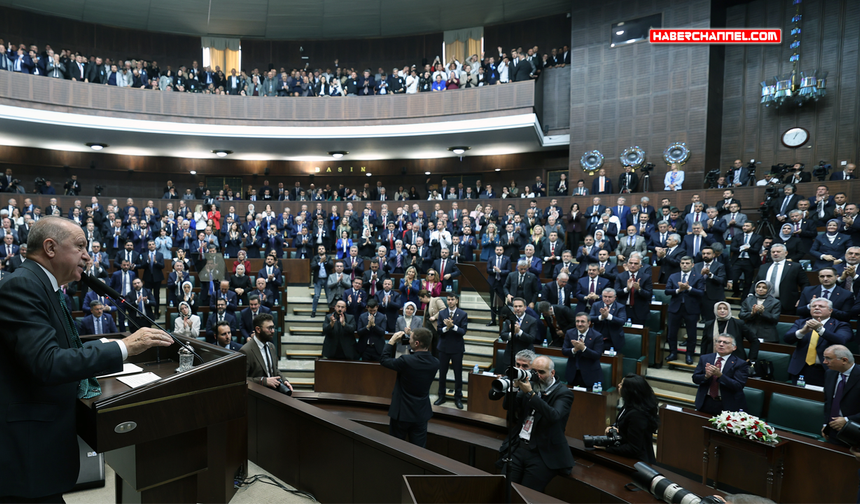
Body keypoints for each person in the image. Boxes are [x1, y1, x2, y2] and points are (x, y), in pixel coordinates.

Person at [0, 216, 172, 502]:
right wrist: (124, 347)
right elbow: (48, 362)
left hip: (41, 446)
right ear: (50, 247)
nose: (87, 256)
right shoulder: (22, 286)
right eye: (80, 246)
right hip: (26, 451)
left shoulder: (44, 287)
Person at [502, 355, 574, 492]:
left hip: (543, 452)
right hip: (520, 447)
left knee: (526, 495)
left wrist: (530, 393)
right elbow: (508, 406)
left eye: (541, 372)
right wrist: (513, 388)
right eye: (534, 371)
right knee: (504, 488)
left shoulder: (564, 393)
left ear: (552, 373)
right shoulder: (531, 386)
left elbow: (554, 415)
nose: (537, 376)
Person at [379, 328, 440, 448]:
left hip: (402, 412)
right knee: (418, 450)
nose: (409, 340)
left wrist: (392, 341)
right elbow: (420, 355)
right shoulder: (435, 363)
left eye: (411, 339)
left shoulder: (406, 361)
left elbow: (384, 360)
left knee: (396, 448)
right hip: (421, 413)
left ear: (416, 343)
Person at [784, 298, 853, 386]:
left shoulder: (841, 325)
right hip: (800, 368)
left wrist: (820, 330)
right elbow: (787, 339)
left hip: (825, 369)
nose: (816, 308)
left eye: (821, 306)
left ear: (830, 310)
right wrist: (802, 332)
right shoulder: (801, 323)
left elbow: (841, 340)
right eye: (814, 306)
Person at [596, 374, 659, 463]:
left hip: (638, 463)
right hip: (626, 456)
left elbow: (633, 448)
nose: (618, 385)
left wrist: (606, 448)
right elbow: (622, 422)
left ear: (629, 391)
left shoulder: (637, 415)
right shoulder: (629, 405)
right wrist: (613, 427)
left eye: (621, 384)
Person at [692, 334, 749, 415]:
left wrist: (720, 375)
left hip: (726, 404)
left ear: (734, 347)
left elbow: (738, 386)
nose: (721, 344)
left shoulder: (740, 364)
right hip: (705, 401)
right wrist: (706, 376)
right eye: (719, 341)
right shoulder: (705, 358)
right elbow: (695, 378)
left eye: (725, 342)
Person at [240, 313, 292, 395]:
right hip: (256, 397)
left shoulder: (271, 346)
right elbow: (241, 380)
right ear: (258, 329)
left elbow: (274, 369)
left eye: (273, 327)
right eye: (269, 328)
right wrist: (263, 381)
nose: (273, 331)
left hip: (273, 395)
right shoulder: (246, 351)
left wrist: (284, 380)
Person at [665, 256, 705, 364]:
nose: (684, 265)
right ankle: (673, 353)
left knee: (691, 334)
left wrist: (689, 288)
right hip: (675, 308)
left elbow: (701, 293)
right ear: (680, 264)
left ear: (692, 265)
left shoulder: (698, 277)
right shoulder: (674, 276)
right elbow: (667, 291)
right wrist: (678, 290)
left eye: (687, 263)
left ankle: (689, 355)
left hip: (691, 309)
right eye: (682, 263)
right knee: (671, 333)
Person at [821, 345, 860, 446]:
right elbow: (828, 402)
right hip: (833, 431)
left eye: (828, 358)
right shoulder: (830, 374)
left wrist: (847, 420)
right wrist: (826, 424)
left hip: (855, 432)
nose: (824, 362)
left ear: (844, 360)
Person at [435, 293, 468, 409]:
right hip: (443, 347)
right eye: (448, 299)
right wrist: (446, 328)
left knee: (457, 374)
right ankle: (441, 396)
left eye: (452, 299)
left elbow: (463, 331)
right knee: (442, 373)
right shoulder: (442, 313)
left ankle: (458, 397)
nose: (450, 301)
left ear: (457, 301)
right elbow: (438, 330)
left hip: (456, 348)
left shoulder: (463, 314)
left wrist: (452, 326)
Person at [562, 311, 604, 390]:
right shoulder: (569, 333)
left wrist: (584, 349)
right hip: (573, 373)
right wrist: (574, 349)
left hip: (590, 374)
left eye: (582, 321)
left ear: (589, 323)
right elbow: (564, 351)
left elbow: (597, 355)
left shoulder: (597, 336)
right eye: (577, 321)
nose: (579, 324)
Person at [499, 297, 539, 365]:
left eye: (520, 306)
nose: (518, 308)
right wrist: (512, 333)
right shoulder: (509, 319)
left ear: (525, 307)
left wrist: (519, 332)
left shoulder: (532, 320)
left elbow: (531, 338)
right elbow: (503, 335)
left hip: (526, 356)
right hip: (510, 355)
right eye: (515, 306)